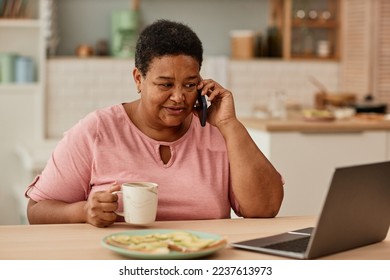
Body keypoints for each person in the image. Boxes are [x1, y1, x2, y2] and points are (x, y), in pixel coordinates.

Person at [25, 19, 284, 228]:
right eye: (165, 84)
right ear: (139, 79)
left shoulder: (217, 129)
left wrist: (229, 124)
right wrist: (83, 212)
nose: (179, 97)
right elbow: (36, 210)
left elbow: (265, 208)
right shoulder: (97, 130)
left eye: (190, 84)